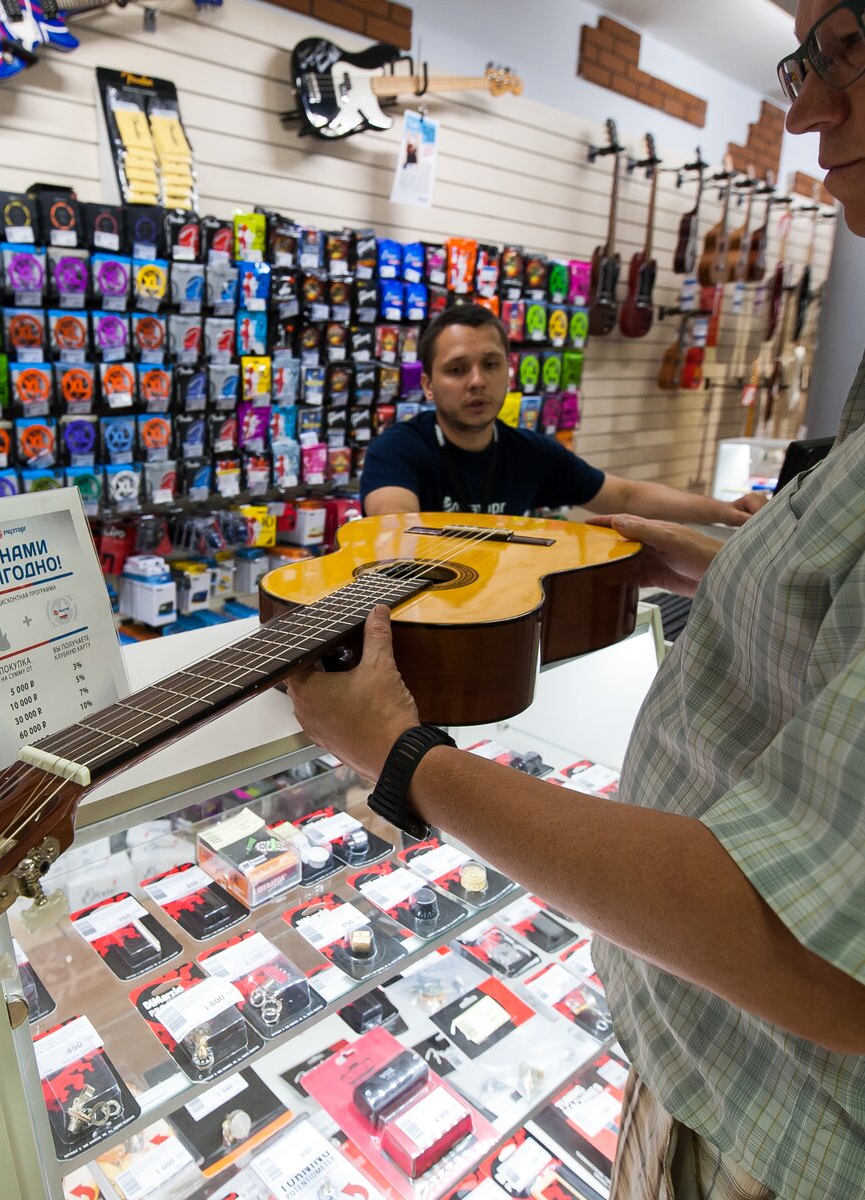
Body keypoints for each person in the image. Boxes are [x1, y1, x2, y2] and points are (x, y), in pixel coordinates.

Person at [287, 2, 865, 1195]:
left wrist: (406, 762)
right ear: (428, 381)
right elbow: (393, 531)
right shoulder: (403, 447)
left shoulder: (530, 444)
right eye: (807, 58)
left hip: (778, 1127)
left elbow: (822, 951)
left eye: (846, 43)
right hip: (710, 1065)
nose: (807, 109)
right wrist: (729, 560)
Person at [360, 304, 768, 526]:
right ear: (428, 385)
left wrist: (723, 512)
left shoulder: (529, 453)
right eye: (456, 369)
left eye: (490, 364)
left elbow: (625, 495)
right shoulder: (396, 450)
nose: (477, 381)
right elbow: (393, 521)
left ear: (508, 372)